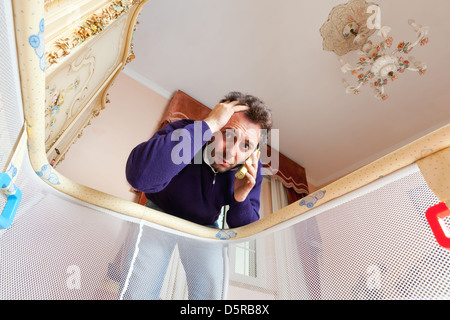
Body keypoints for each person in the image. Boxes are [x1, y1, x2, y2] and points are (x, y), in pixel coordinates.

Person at [120, 91, 272, 300]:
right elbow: (139, 178)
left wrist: (240, 196)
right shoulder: (185, 130)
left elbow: (244, 231)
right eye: (228, 135)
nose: (231, 153)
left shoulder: (251, 170)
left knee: (210, 294)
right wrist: (207, 126)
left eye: (246, 145)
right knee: (138, 289)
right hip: (160, 213)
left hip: (204, 227)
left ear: (254, 153)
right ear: (217, 124)